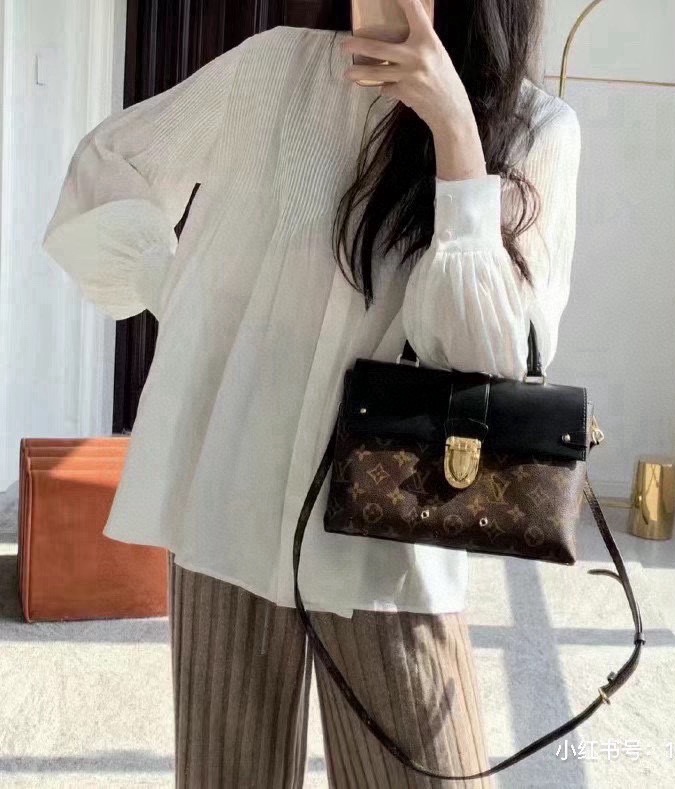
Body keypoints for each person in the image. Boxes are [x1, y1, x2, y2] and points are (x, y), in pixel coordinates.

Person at [42, 0, 580, 785]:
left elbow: (484, 354)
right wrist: (178, 287)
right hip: (230, 501)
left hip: (390, 531)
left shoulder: (535, 129)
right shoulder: (274, 68)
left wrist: (456, 137)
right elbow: (105, 166)